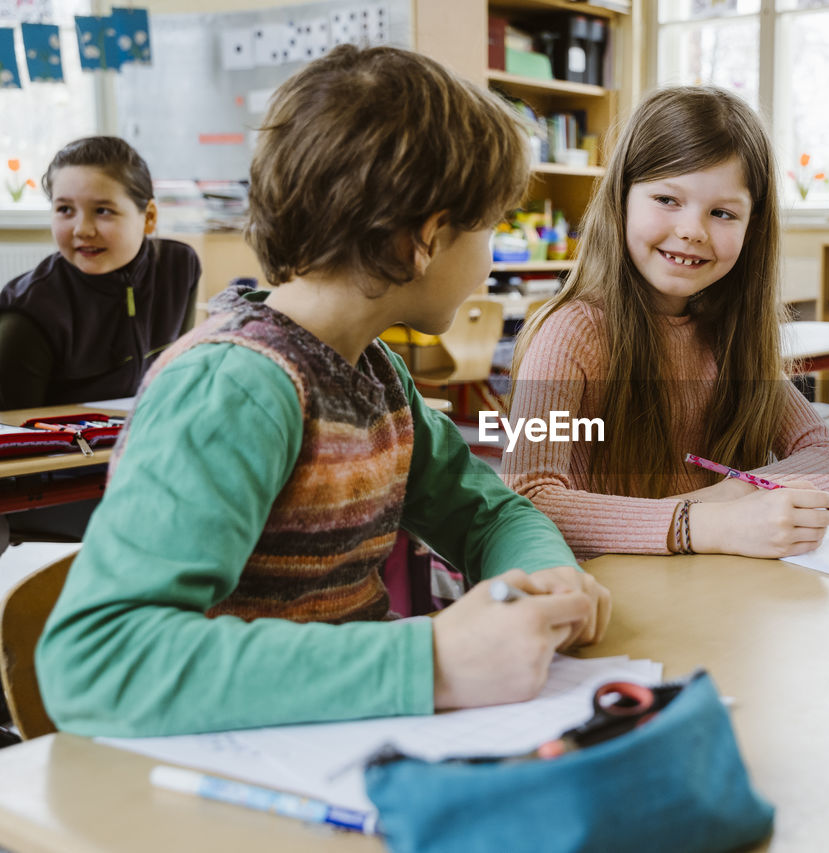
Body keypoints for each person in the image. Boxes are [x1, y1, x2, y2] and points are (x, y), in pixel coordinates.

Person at [36, 45, 610, 738]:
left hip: (342, 742)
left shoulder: (375, 371)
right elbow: (96, 662)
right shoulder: (234, 387)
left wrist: (542, 578)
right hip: (223, 777)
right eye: (488, 228)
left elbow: (489, 514)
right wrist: (431, 660)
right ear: (426, 238)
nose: (490, 261)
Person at [503, 86, 829, 560]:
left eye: (723, 213)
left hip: (711, 588)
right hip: (611, 595)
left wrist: (731, 498)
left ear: (753, 229)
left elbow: (828, 453)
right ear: (621, 198)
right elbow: (529, 502)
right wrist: (709, 520)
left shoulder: (730, 335)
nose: (693, 230)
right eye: (667, 199)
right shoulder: (568, 335)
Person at [0, 136, 200, 409]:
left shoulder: (179, 266)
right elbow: (14, 433)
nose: (82, 229)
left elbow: (173, 374)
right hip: (68, 449)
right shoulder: (28, 313)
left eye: (103, 210)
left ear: (149, 217)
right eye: (65, 209)